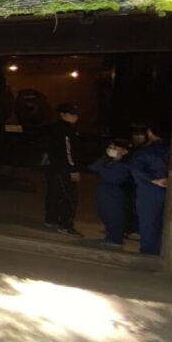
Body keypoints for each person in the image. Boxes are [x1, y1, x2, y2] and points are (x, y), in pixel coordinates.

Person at [41, 103, 81, 236]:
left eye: (76, 114)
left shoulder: (51, 128)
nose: (75, 116)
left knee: (53, 193)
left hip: (51, 167)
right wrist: (72, 169)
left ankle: (51, 219)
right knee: (69, 196)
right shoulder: (65, 130)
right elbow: (67, 150)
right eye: (71, 114)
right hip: (62, 168)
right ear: (62, 114)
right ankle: (65, 225)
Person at [129, 125, 169, 256]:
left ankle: (149, 254)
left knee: (149, 223)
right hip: (170, 188)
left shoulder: (145, 151)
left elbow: (136, 169)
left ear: (150, 132)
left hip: (150, 189)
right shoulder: (170, 149)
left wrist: (152, 180)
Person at [89, 140, 131, 248]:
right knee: (104, 214)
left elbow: (113, 178)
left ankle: (115, 239)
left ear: (124, 151)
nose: (111, 150)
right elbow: (93, 167)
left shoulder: (124, 165)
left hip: (113, 192)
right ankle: (109, 237)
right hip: (103, 190)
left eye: (115, 148)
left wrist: (102, 168)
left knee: (113, 215)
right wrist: (103, 160)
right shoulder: (108, 161)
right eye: (110, 147)